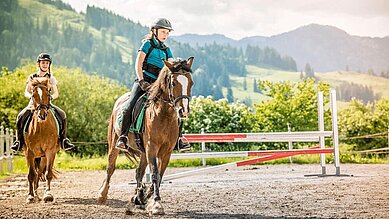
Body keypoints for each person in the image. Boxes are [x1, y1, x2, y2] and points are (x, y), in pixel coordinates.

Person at [115, 18, 190, 152]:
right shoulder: (147, 44)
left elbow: (171, 67)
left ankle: (178, 139)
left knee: (175, 107)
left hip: (158, 85)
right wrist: (141, 80)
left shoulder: (167, 50)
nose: (165, 35)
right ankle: (123, 137)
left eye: (167, 32)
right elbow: (138, 64)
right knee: (130, 105)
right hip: (143, 81)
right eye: (163, 31)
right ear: (154, 31)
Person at [11, 53, 74, 152]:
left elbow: (56, 93)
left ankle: (63, 140)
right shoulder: (32, 77)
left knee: (62, 114)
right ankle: (19, 141)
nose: (45, 65)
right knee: (20, 116)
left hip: (46, 104)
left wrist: (50, 98)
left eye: (47, 63)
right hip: (33, 104)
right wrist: (31, 97)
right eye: (43, 63)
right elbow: (26, 91)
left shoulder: (51, 78)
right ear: (38, 64)